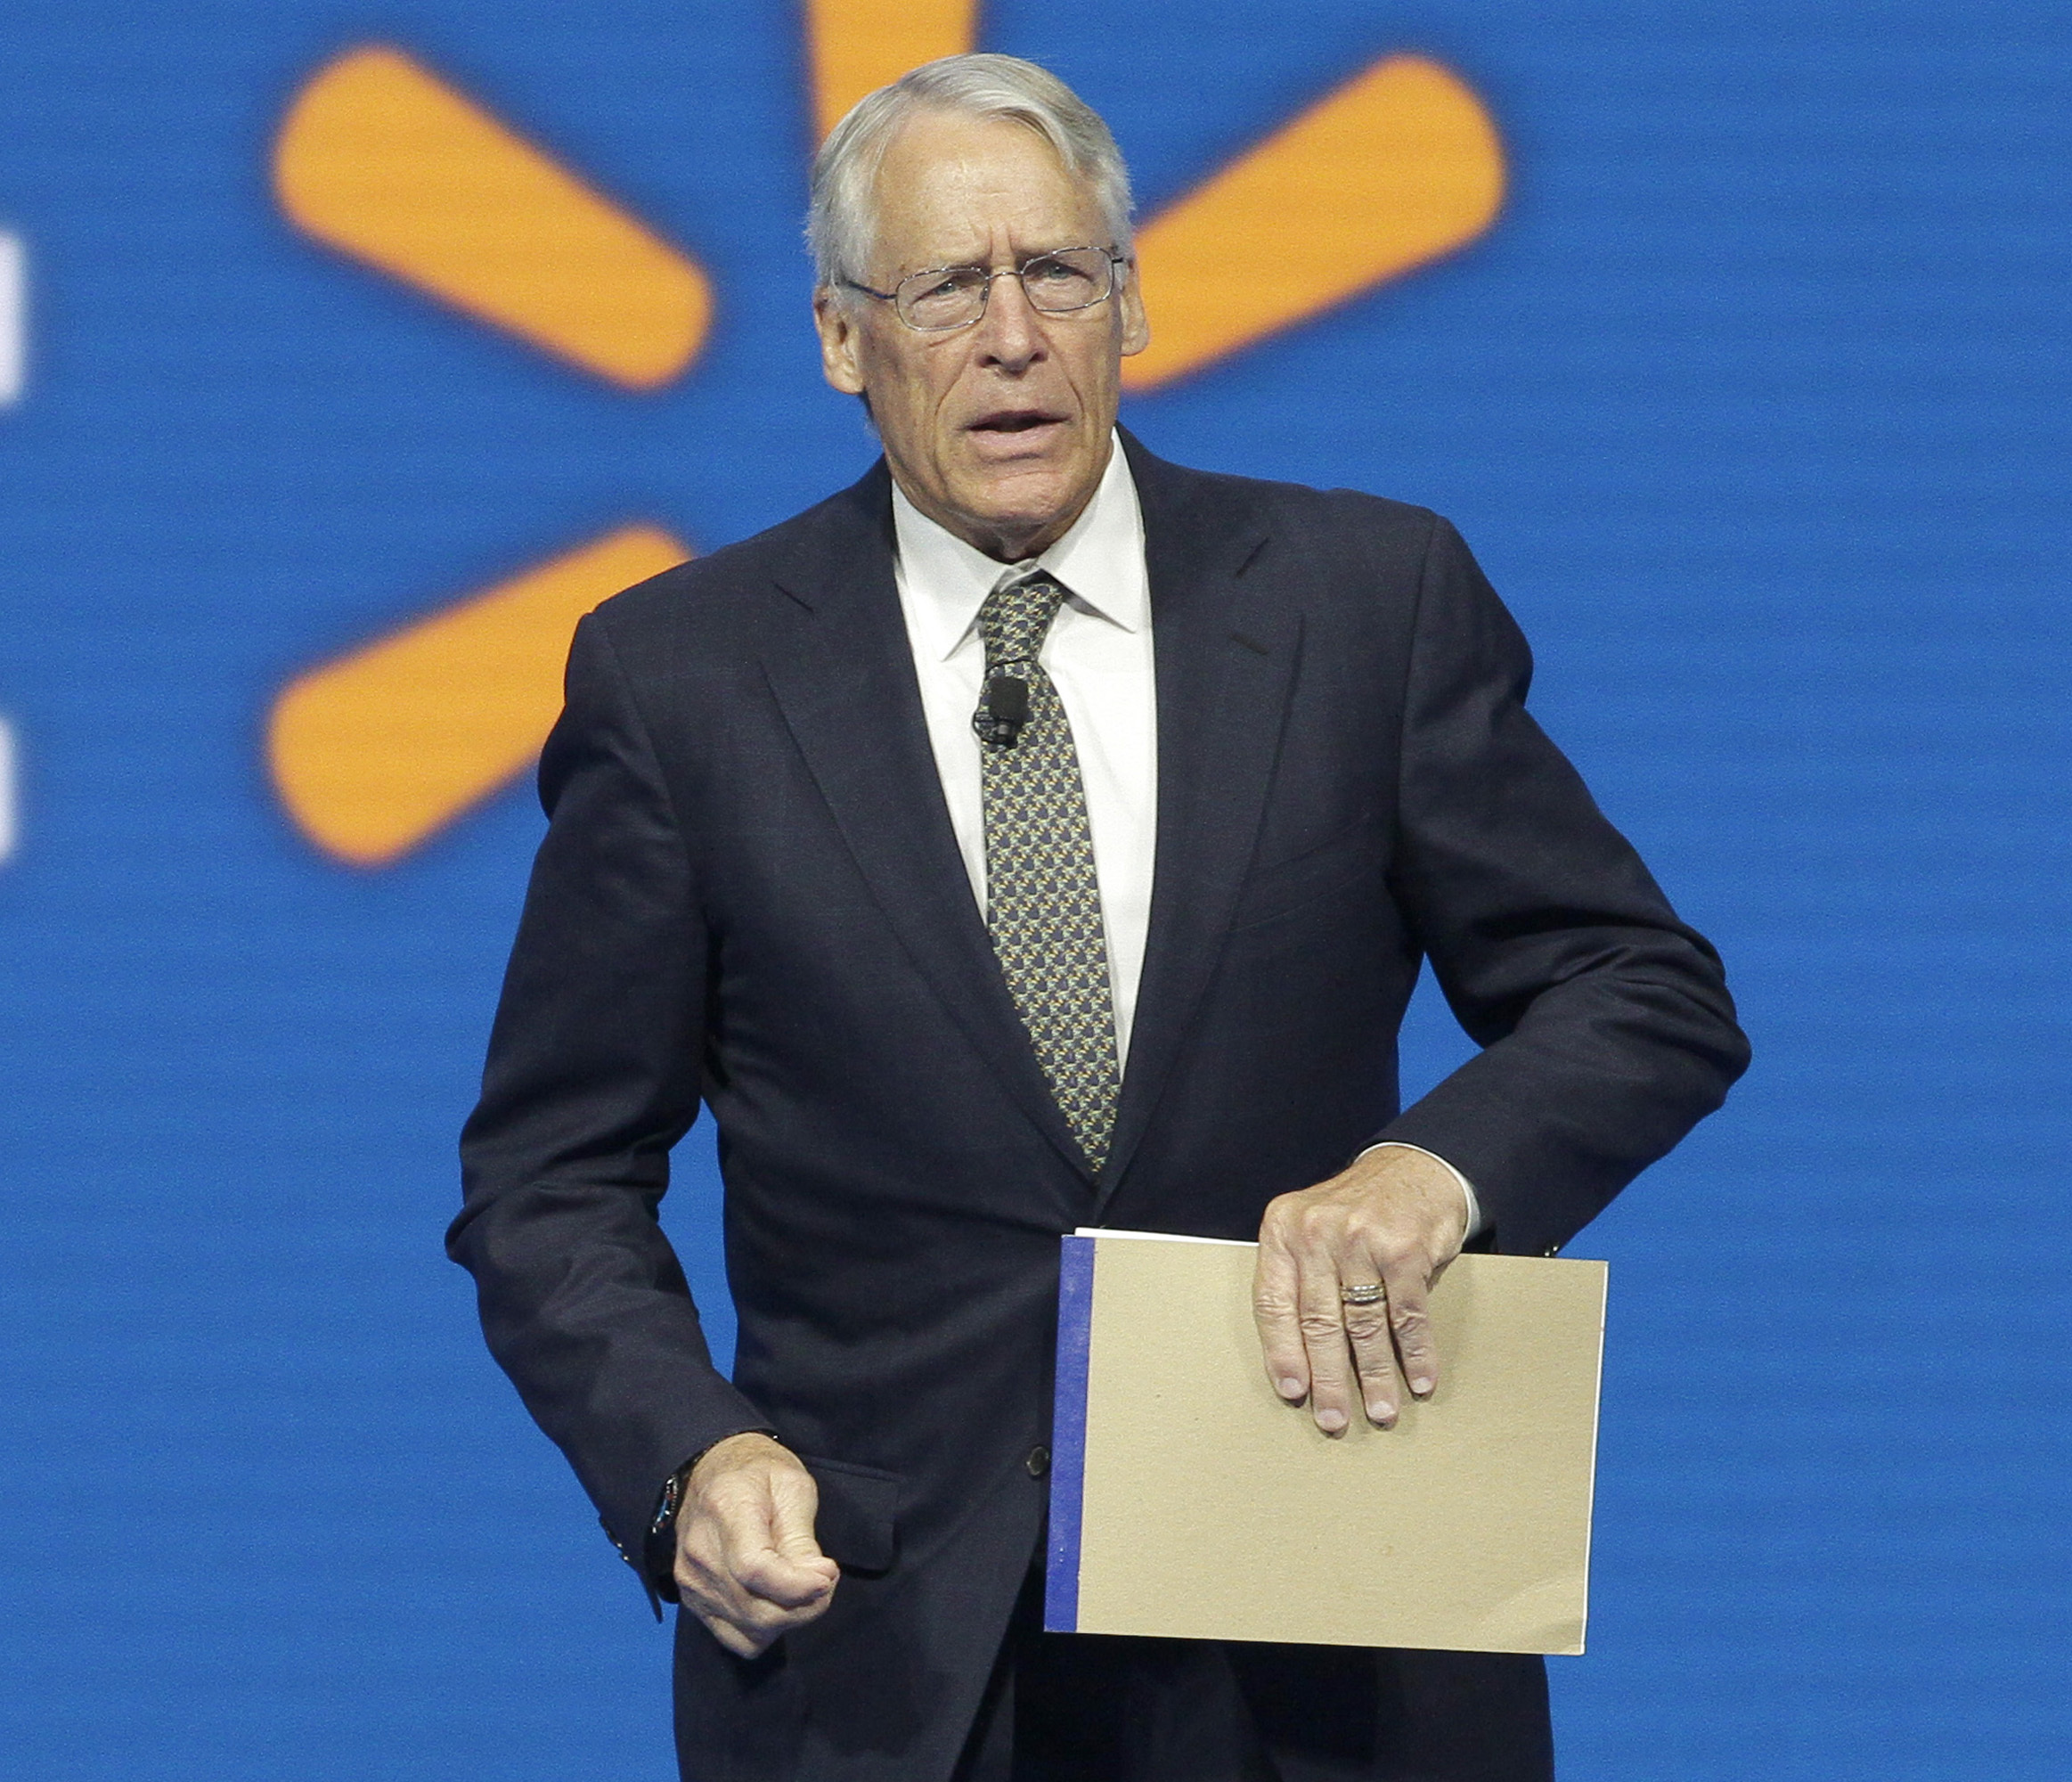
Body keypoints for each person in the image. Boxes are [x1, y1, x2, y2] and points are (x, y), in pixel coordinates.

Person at [452, 52, 1747, 1782]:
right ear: (842, 336)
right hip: (893, 1655)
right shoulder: (684, 680)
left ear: (1130, 302)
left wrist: (1432, 1172)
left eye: (1057, 272)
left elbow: (1637, 985)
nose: (1012, 334)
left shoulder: (1364, 602)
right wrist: (690, 1456)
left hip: (1324, 1618)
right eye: (944, 286)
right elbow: (551, 1176)